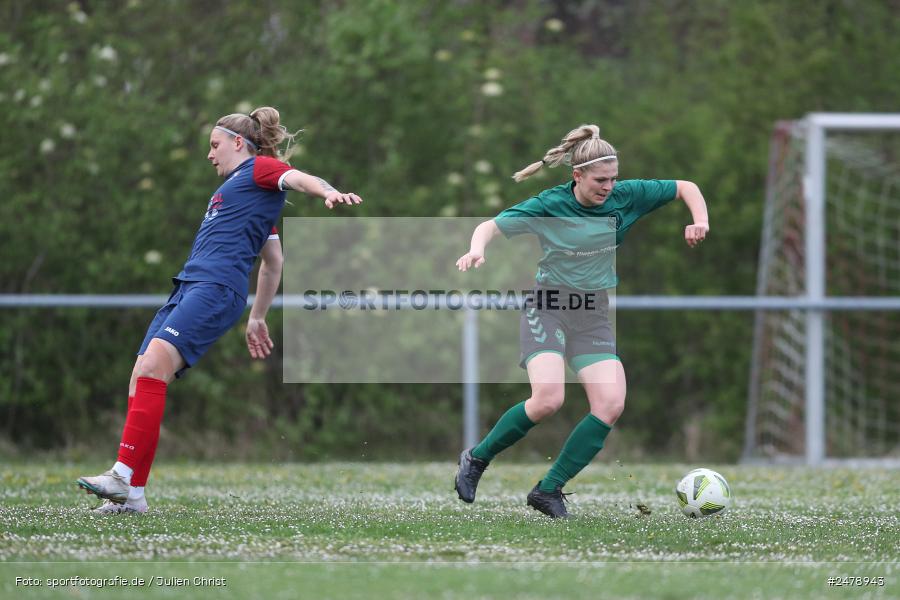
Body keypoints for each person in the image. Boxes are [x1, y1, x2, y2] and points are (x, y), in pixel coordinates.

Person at [77, 107, 362, 514]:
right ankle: (133, 495)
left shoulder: (261, 169)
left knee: (153, 367)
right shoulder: (245, 194)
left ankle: (121, 477)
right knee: (141, 377)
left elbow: (297, 177)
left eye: (215, 146)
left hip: (213, 289)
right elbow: (273, 261)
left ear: (237, 143)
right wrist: (258, 317)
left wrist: (327, 190)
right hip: (190, 286)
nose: (210, 155)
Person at [453, 124, 708, 518]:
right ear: (577, 176)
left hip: (592, 314)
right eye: (600, 180)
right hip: (548, 305)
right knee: (548, 400)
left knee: (610, 403)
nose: (608, 187)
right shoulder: (551, 203)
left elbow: (686, 186)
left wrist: (699, 220)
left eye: (613, 179)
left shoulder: (626, 196)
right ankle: (477, 459)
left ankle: (548, 490)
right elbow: (490, 225)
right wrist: (476, 250)